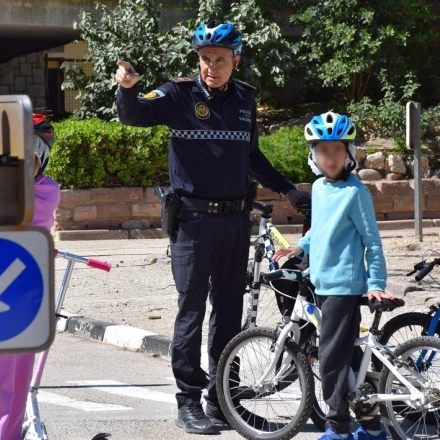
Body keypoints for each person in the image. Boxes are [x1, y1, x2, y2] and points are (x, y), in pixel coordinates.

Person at [115, 20, 310, 435]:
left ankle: (222, 399)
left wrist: (288, 190)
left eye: (219, 60)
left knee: (228, 311)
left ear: (235, 60)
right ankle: (188, 401)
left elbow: (251, 156)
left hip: (236, 222)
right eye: (205, 59)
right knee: (191, 310)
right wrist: (127, 88)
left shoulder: (244, 99)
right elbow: (132, 116)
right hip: (193, 223)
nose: (211, 67)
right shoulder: (176, 94)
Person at [274, 112, 394, 440]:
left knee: (329, 359)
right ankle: (371, 427)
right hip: (322, 283)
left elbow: (372, 242)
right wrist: (298, 248)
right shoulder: (318, 187)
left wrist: (376, 284)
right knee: (350, 357)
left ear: (349, 153)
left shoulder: (356, 193)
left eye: (337, 150)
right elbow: (320, 232)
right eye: (323, 151)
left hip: (344, 286)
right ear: (313, 155)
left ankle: (338, 428)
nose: (330, 157)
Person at [0, 113, 60, 440]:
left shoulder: (46, 192)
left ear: (42, 163)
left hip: (21, 299)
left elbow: (26, 219)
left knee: (14, 374)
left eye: (30, 160)